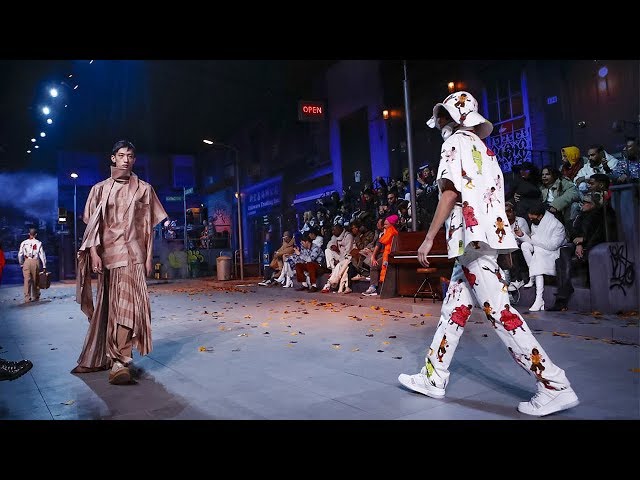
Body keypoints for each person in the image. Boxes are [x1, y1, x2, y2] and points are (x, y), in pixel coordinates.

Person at [398, 91, 579, 417]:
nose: (438, 123)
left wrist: (428, 239)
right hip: (486, 240)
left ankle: (554, 385)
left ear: (450, 119)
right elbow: (494, 201)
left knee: (501, 314)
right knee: (452, 314)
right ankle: (433, 376)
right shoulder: (486, 151)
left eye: (440, 118)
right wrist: (502, 247)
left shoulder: (453, 143)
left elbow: (450, 191)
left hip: (471, 242)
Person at [71, 140, 168, 385]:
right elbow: (93, 227)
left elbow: (149, 228)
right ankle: (107, 356)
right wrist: (93, 253)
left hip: (133, 255)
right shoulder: (99, 190)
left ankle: (120, 361)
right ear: (112, 158)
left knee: (128, 307)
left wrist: (148, 258)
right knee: (110, 308)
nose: (126, 159)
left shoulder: (144, 189)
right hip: (107, 256)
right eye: (122, 155)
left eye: (131, 156)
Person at [18, 227, 47, 303]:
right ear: (36, 234)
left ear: (29, 234)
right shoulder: (39, 243)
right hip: (35, 261)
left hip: (27, 261)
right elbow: (42, 255)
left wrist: (21, 263)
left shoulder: (23, 243)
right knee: (35, 279)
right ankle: (36, 295)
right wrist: (44, 266)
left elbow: (20, 254)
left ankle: (27, 297)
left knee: (27, 280)